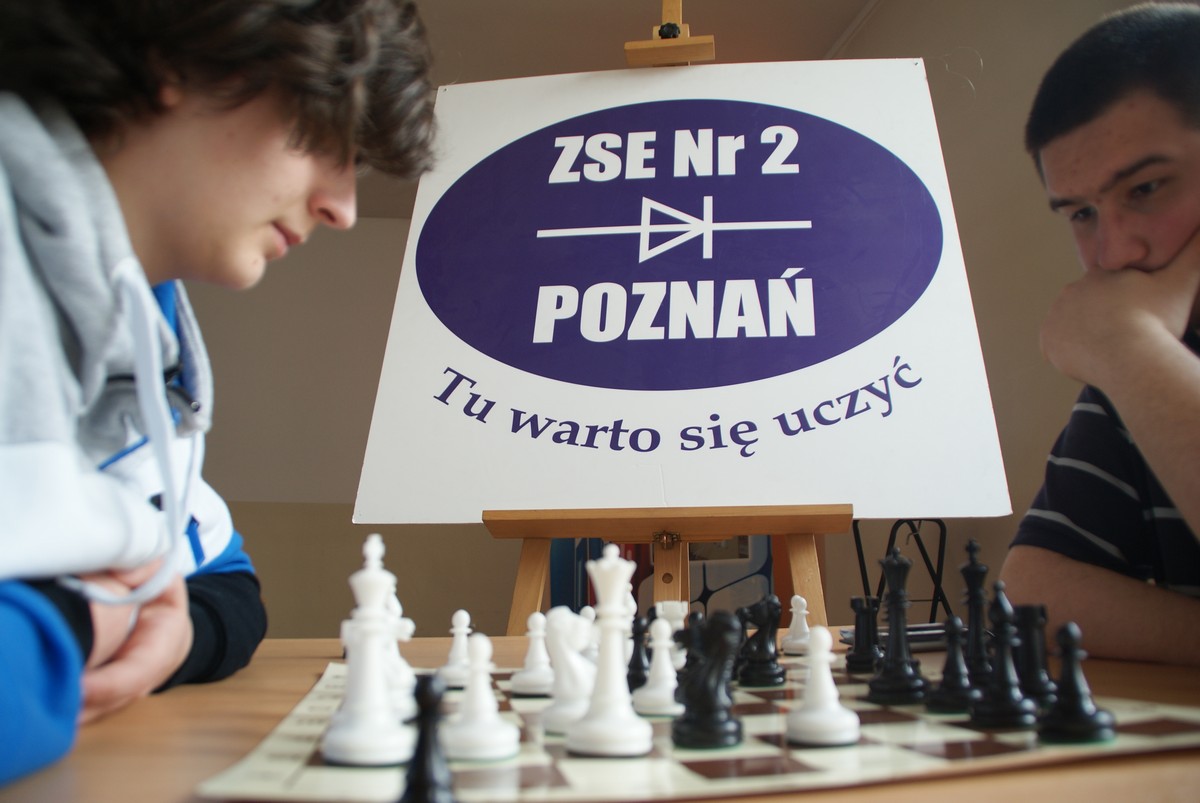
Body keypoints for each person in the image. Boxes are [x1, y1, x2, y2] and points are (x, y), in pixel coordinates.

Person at [0, 0, 436, 785]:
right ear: (187, 53)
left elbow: (223, 578)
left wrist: (167, 632)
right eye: (327, 136)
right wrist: (89, 621)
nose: (343, 208)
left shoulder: (150, 333)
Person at [999, 2, 1200, 666]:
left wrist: (1129, 350)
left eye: (1146, 188)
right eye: (1082, 213)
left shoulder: (1132, 350)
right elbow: (1032, 592)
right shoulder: (1144, 361)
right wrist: (1136, 357)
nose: (1113, 253)